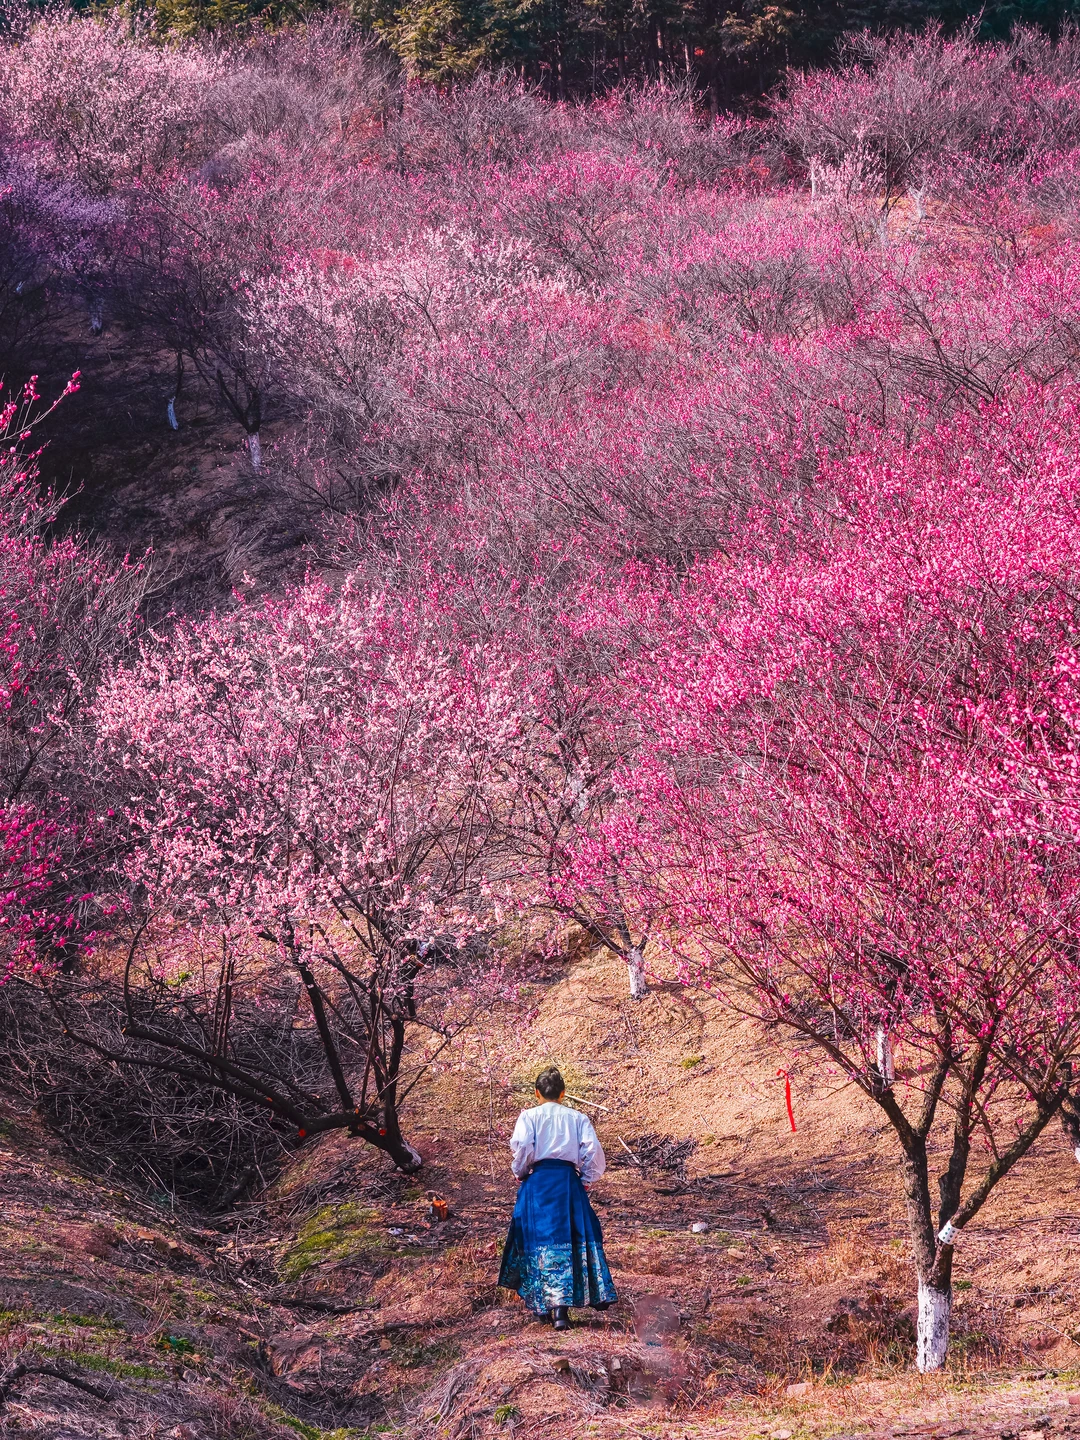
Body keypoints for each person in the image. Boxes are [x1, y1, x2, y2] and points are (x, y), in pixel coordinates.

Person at [497, 1066, 617, 1330]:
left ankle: (543, 1306)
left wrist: (520, 1172)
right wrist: (586, 1179)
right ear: (563, 1093)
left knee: (537, 1241)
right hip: (567, 1183)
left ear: (536, 1092)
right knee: (568, 1239)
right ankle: (561, 1311)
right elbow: (592, 1150)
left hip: (538, 1184)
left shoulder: (528, 1117)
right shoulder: (577, 1118)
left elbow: (523, 1148)